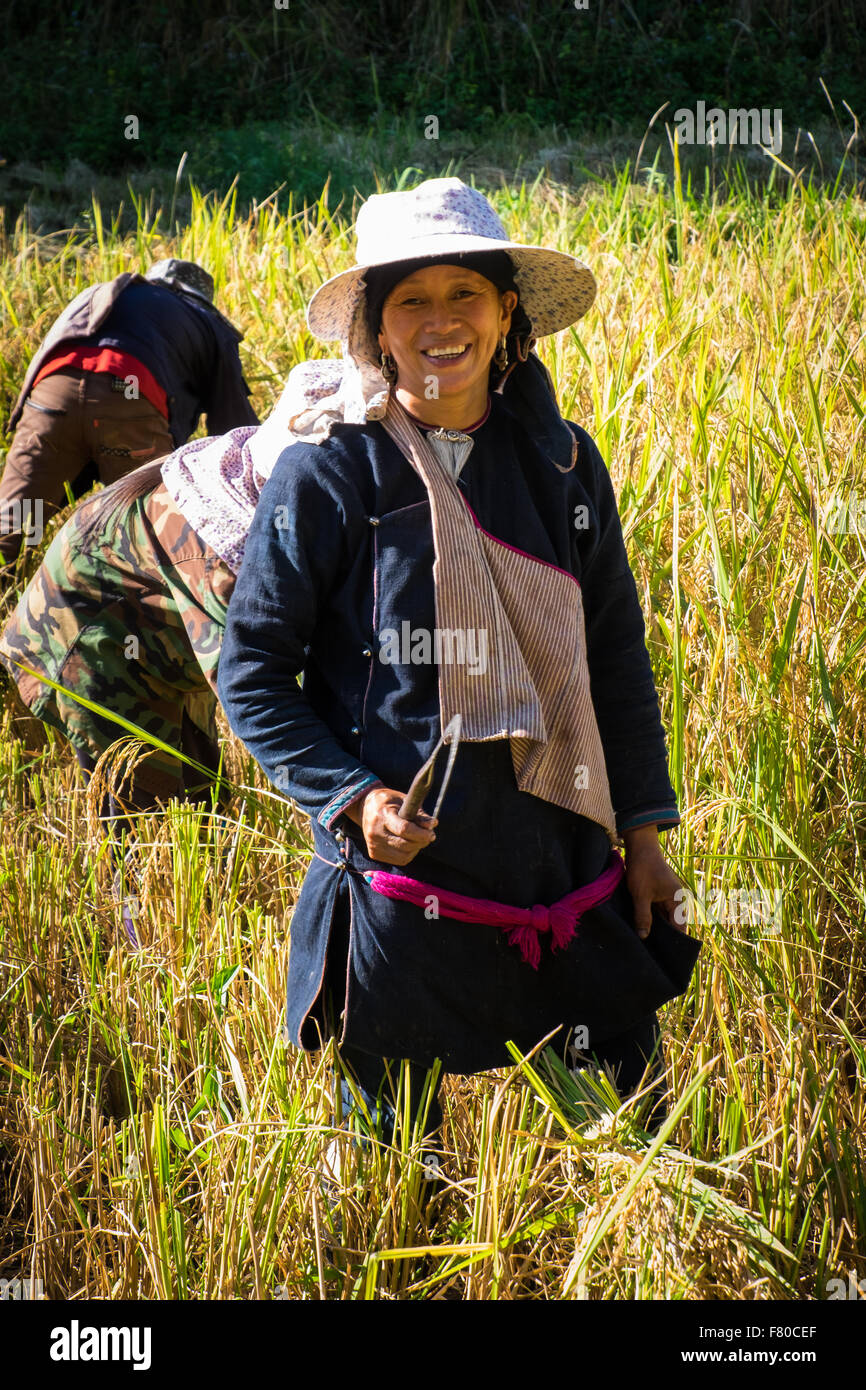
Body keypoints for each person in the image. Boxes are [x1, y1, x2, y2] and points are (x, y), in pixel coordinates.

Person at [217, 177, 702, 1154]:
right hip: (406, 877)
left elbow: (613, 654)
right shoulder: (333, 472)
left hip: (560, 865)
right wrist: (354, 799)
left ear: (507, 311)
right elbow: (253, 670)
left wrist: (644, 830)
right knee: (402, 1170)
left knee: (630, 1148)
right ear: (375, 330)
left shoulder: (561, 465)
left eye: (463, 295)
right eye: (411, 301)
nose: (440, 323)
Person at [0, 390, 296, 902]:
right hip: (84, 642)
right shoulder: (214, 553)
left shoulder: (259, 502)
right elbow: (253, 686)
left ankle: (208, 898)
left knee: (205, 792)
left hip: (163, 636)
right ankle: (139, 931)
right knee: (142, 828)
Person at [0, 258, 259, 572]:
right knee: (153, 538)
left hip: (53, 395)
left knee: (17, 520)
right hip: (129, 396)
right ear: (200, 295)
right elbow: (236, 430)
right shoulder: (206, 320)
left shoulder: (105, 294)